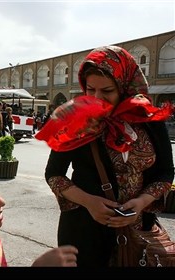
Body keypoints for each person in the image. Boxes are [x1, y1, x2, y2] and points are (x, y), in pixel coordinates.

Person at [35, 46, 174, 267]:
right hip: (85, 231)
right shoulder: (77, 121)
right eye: (91, 90)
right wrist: (89, 202)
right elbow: (54, 174)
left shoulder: (147, 119)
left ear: (124, 86)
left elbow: (166, 172)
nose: (98, 98)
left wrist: (140, 202)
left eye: (107, 91)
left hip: (138, 233)